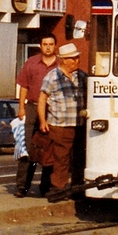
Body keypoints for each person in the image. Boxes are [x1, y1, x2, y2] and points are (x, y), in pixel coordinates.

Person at [40, 43, 88, 202]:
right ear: (64, 60)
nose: (77, 60)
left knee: (79, 158)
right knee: (61, 158)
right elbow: (42, 99)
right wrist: (42, 120)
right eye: (73, 58)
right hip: (59, 125)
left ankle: (78, 188)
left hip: (79, 124)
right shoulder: (52, 76)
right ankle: (59, 189)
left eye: (77, 57)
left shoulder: (81, 76)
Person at [14, 34, 58, 197]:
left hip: (52, 109)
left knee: (49, 149)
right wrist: (21, 108)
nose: (48, 47)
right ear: (40, 46)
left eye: (51, 44)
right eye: (45, 44)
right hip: (32, 107)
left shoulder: (60, 65)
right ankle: (22, 186)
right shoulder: (31, 63)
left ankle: (46, 186)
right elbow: (24, 87)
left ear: (55, 46)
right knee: (26, 147)